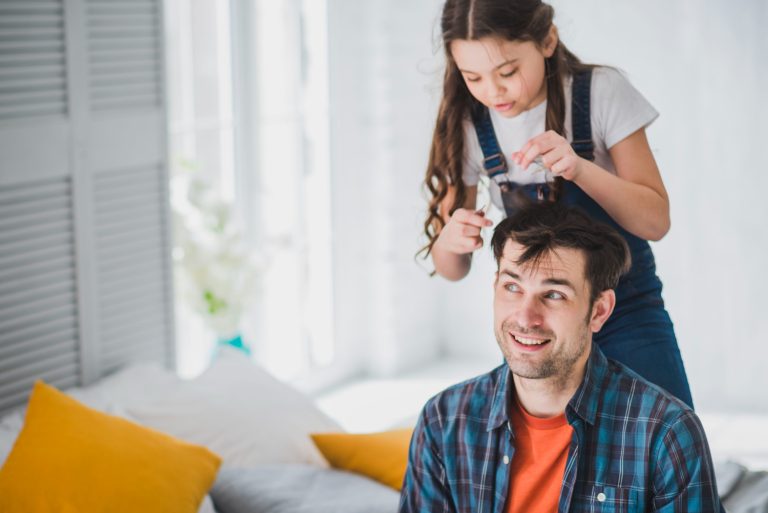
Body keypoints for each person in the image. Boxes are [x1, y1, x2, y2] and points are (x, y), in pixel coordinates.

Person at [420, 0, 694, 407]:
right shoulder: (469, 122)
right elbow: (451, 270)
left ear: (547, 40)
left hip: (627, 309)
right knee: (551, 455)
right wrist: (448, 241)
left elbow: (656, 222)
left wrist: (581, 169)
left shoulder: (599, 91)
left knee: (664, 433)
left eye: (507, 72)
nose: (492, 92)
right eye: (472, 76)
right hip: (536, 326)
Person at [401, 203, 721, 513]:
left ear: (598, 311)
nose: (526, 318)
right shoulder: (442, 422)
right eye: (512, 286)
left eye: (554, 294)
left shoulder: (667, 434)